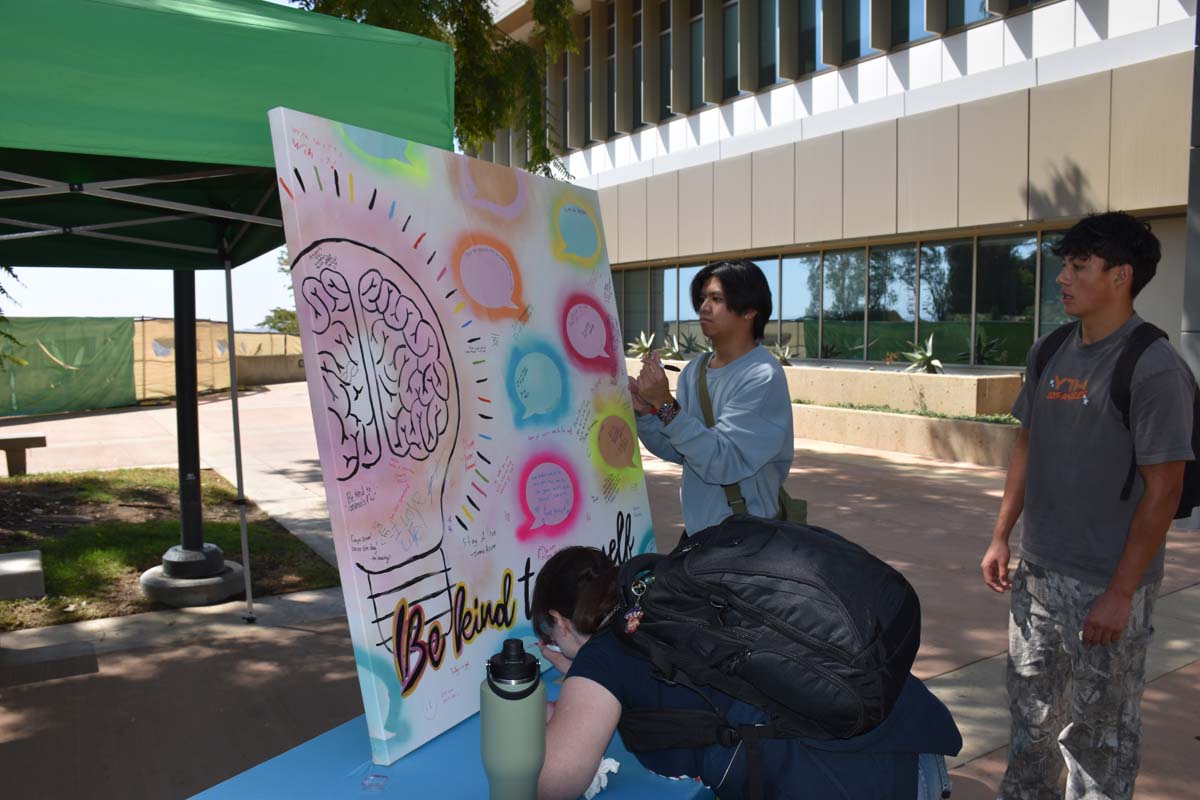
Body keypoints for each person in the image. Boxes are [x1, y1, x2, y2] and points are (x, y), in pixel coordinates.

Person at [980, 212, 1195, 800]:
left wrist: (1121, 592)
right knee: (1031, 724)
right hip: (1039, 578)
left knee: (1099, 738)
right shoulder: (1049, 351)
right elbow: (1028, 444)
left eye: (1079, 266)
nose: (1063, 278)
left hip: (1106, 586)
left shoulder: (1154, 367)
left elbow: (1165, 489)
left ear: (1121, 276)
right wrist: (1002, 537)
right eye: (1065, 265)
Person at [531, 546, 961, 800]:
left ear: (560, 621)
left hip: (862, 782)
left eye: (549, 637)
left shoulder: (605, 657)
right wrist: (580, 687)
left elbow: (556, 783)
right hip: (906, 741)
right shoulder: (662, 598)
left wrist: (544, 709)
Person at [630, 260, 794, 535]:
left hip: (746, 537)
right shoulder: (694, 371)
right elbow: (683, 451)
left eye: (716, 299)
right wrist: (648, 412)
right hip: (699, 535)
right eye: (702, 298)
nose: (704, 307)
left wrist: (666, 405)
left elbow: (722, 461)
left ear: (750, 310)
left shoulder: (762, 377)